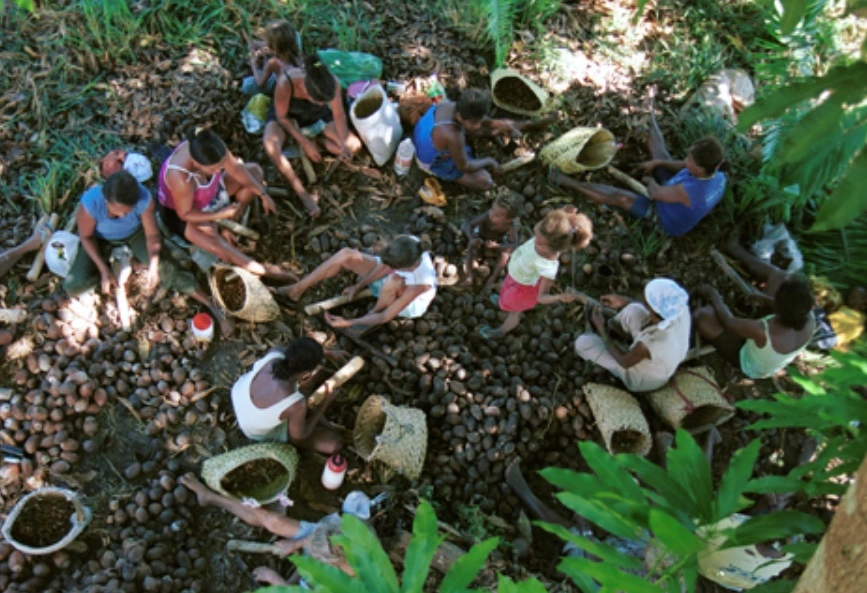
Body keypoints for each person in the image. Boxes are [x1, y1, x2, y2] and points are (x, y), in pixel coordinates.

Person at [63, 170, 230, 332]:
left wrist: (154, 263)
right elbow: (86, 237)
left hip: (135, 234)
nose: (122, 216)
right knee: (72, 285)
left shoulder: (143, 199)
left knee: (166, 268)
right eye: (117, 211)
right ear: (106, 201)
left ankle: (212, 306)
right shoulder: (90, 204)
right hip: (100, 239)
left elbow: (152, 235)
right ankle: (110, 271)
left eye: (127, 212)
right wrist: (103, 269)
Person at [549, 93, 726, 238]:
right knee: (662, 155)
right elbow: (682, 166)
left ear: (700, 169)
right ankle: (649, 114)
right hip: (674, 193)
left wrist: (649, 180)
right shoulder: (717, 174)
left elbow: (654, 193)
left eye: (690, 159)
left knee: (620, 197)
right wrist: (658, 162)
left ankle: (566, 181)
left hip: (664, 217)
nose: (686, 159)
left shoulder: (690, 192)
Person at [157, 129, 295, 282]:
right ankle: (265, 271)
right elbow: (185, 214)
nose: (219, 170)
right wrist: (219, 216)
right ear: (196, 163)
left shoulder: (211, 145)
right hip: (184, 212)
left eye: (220, 166)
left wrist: (263, 194)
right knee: (218, 245)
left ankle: (230, 225)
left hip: (210, 195)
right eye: (212, 169)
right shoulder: (180, 177)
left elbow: (236, 169)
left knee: (255, 172)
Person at [179, 474, 369, 586]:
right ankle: (209, 497)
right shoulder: (355, 539)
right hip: (320, 542)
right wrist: (296, 543)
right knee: (272, 520)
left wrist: (272, 577)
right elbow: (324, 534)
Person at [263, 56, 361, 218]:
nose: (323, 103)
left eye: (325, 102)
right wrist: (304, 141)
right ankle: (302, 193)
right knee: (271, 146)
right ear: (304, 88)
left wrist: (344, 143)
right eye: (319, 101)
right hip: (288, 117)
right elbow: (282, 117)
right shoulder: (286, 82)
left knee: (354, 146)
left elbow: (338, 114)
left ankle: (320, 141)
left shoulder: (331, 83)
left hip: (315, 116)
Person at [281, 235, 437, 334]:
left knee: (393, 282)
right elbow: (385, 266)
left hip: (408, 300)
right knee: (346, 254)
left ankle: (370, 316)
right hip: (390, 277)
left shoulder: (423, 282)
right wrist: (358, 286)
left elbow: (385, 316)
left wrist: (350, 322)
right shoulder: (409, 242)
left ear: (410, 268)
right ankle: (297, 289)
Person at [478, 206, 592, 339]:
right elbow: (551, 226)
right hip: (515, 277)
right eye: (536, 232)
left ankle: (500, 331)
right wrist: (562, 214)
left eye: (537, 239)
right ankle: (503, 301)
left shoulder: (548, 267)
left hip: (522, 290)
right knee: (505, 291)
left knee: (514, 313)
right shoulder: (548, 236)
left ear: (548, 245)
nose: (534, 236)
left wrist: (560, 297)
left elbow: (541, 297)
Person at [413, 88, 559, 192]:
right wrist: (490, 161)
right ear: (460, 116)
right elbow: (465, 166)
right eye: (474, 122)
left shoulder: (450, 105)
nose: (478, 124)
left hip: (440, 138)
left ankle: (530, 125)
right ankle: (525, 126)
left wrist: (500, 125)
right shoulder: (452, 134)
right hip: (435, 161)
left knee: (492, 126)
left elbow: (483, 121)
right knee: (485, 182)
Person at [574, 278, 691, 392]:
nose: (644, 301)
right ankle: (616, 331)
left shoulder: (650, 343)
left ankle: (611, 338)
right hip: (668, 356)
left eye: (647, 302)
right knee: (633, 310)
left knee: (583, 343)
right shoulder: (678, 307)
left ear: (653, 312)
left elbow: (624, 362)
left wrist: (601, 329)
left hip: (645, 378)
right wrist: (624, 301)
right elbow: (652, 310)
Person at [231, 337, 343, 454]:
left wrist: (327, 353)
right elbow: (300, 435)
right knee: (336, 444)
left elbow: (297, 355)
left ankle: (312, 417)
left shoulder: (275, 353)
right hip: (252, 429)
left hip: (239, 394)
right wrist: (325, 403)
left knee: (311, 384)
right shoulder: (296, 404)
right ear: (305, 373)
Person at [694, 275, 815, 380]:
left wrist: (713, 295)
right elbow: (791, 309)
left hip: (748, 364)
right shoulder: (809, 319)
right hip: (767, 358)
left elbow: (729, 322)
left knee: (703, 317)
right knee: (779, 276)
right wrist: (766, 300)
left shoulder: (763, 331)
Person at [462, 192, 519, 293]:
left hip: (496, 241)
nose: (492, 214)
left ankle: (492, 279)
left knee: (505, 254)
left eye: (497, 215)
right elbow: (469, 224)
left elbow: (514, 245)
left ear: (508, 219)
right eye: (492, 209)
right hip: (481, 236)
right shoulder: (488, 215)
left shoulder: (510, 225)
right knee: (471, 246)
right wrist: (472, 238)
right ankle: (469, 276)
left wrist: (498, 246)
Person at [242, 20, 303, 96]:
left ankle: (254, 44)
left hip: (283, 88)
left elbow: (260, 83)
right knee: (296, 35)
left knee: (247, 85)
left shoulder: (273, 63)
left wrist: (254, 65)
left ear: (272, 47)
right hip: (294, 80)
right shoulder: (298, 54)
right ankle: (256, 43)